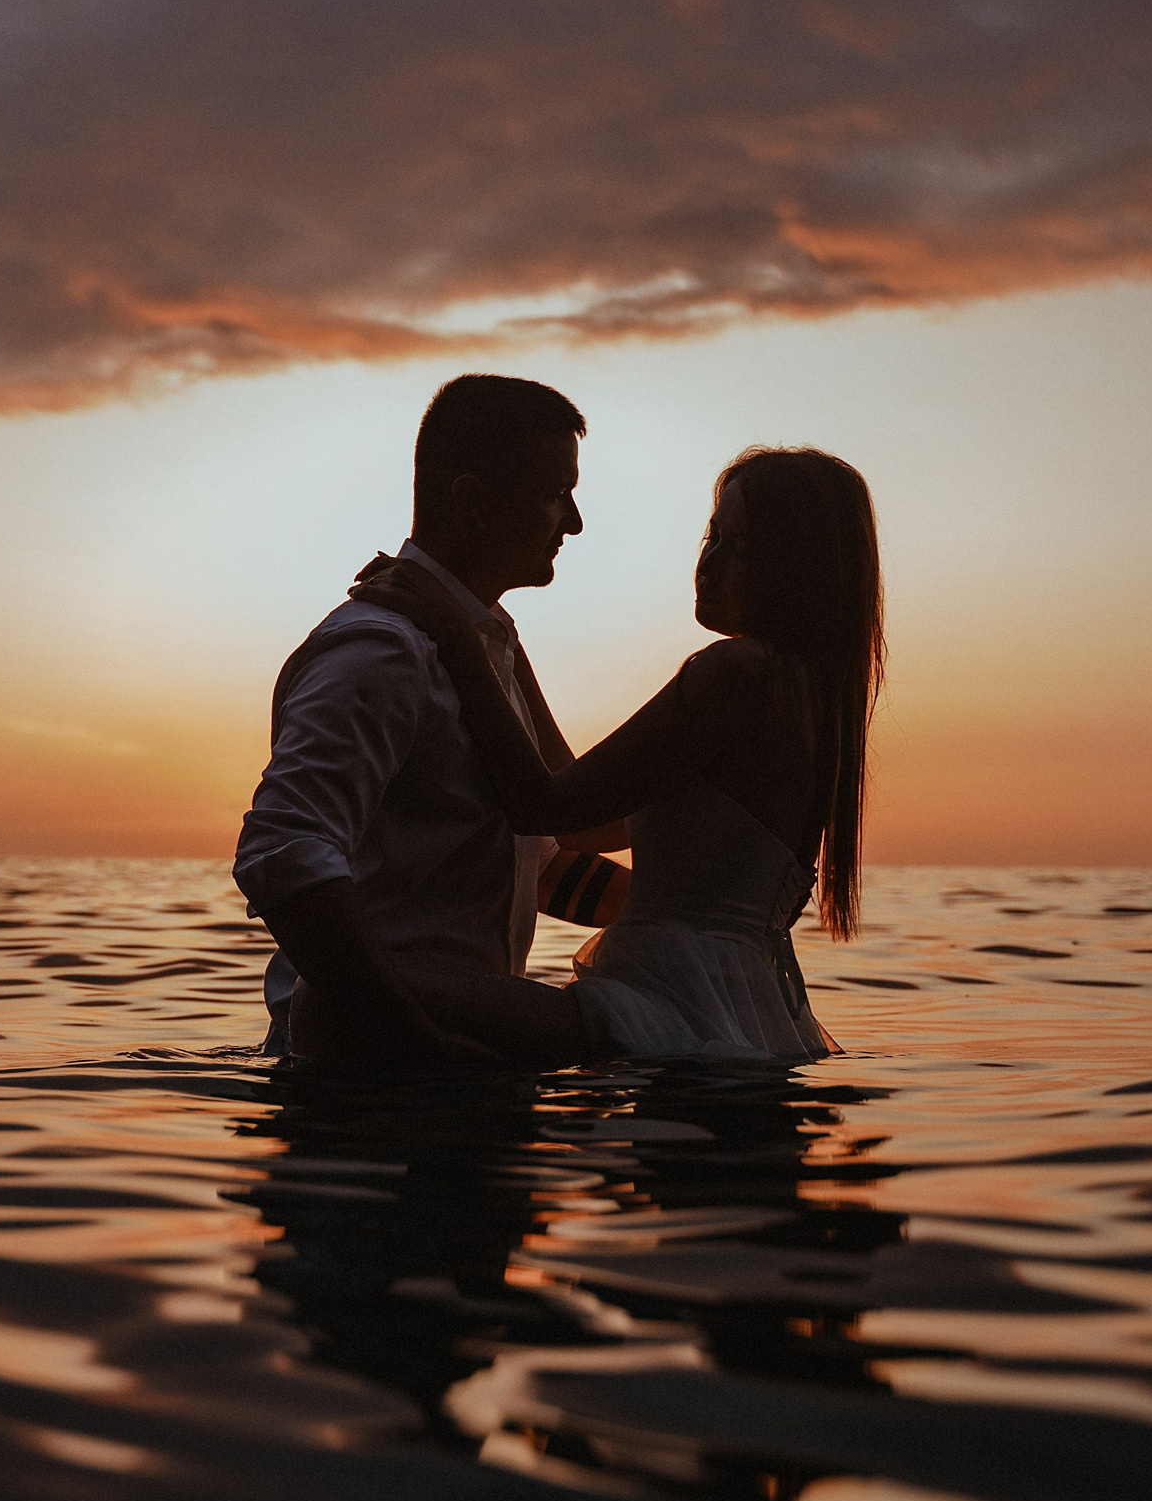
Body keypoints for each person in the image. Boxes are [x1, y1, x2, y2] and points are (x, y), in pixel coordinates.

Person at [348, 446, 883, 1065]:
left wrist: (454, 635)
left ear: (795, 573)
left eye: (741, 550)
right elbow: (584, 826)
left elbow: (539, 806)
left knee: (340, 988)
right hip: (738, 1007)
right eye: (712, 534)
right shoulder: (808, 699)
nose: (709, 563)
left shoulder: (736, 674)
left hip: (670, 1004)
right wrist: (503, 645)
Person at [232, 376, 631, 1063]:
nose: (574, 521)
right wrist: (413, 1039)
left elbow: (536, 866)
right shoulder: (381, 650)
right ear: (473, 502)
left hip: (457, 1062)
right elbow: (283, 852)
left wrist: (688, 923)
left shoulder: (487, 647)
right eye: (553, 493)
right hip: (365, 1089)